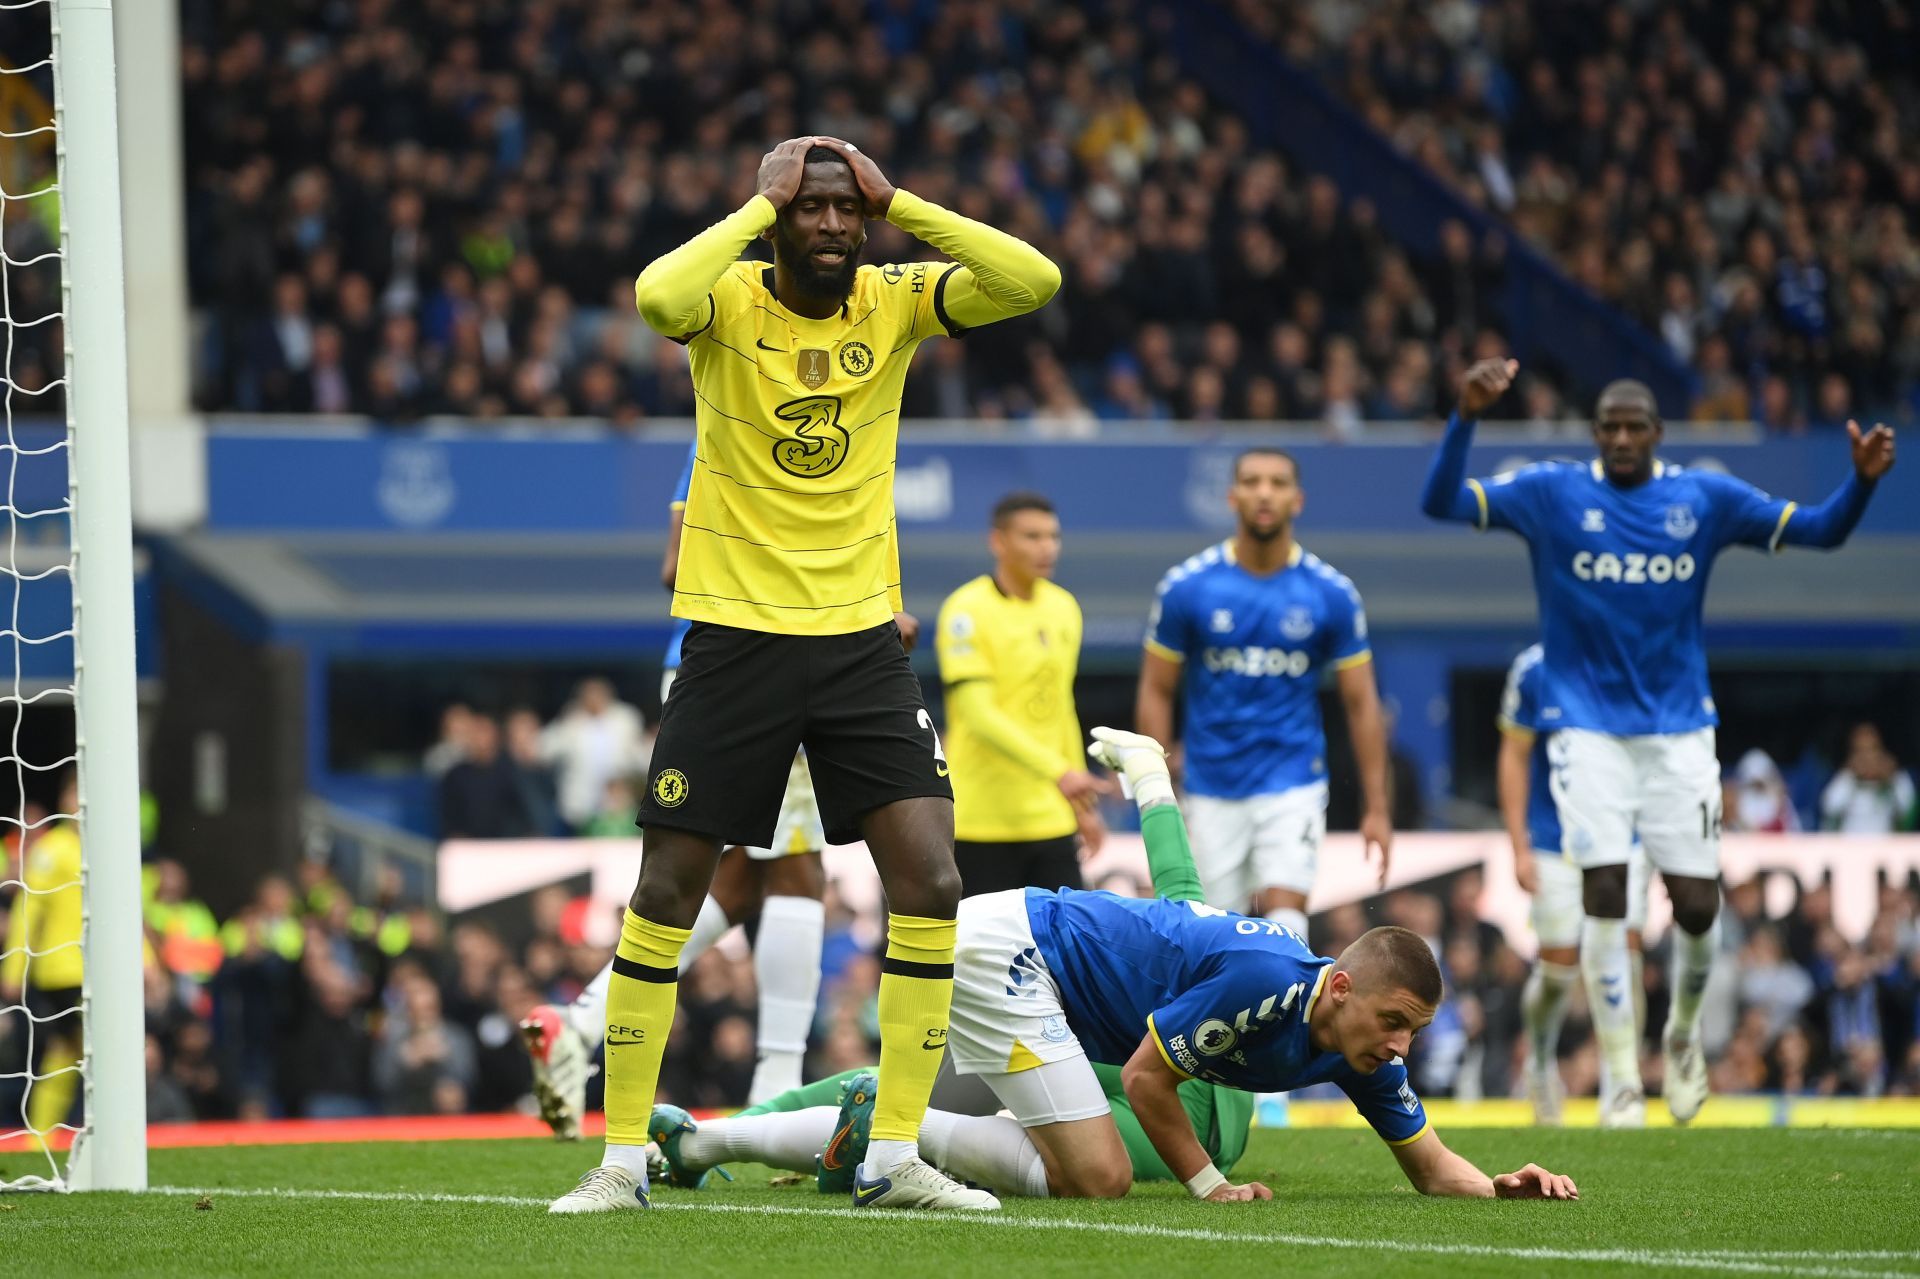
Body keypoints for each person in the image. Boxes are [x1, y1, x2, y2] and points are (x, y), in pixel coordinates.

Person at [548, 135, 1060, 1214]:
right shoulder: (727, 300)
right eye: (810, 209)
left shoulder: (895, 298)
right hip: (731, 639)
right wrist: (755, 204)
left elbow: (1033, 279)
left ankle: (894, 1160)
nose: (831, 226)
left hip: (863, 642)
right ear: (779, 218)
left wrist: (903, 201)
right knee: (668, 892)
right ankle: (623, 1159)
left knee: (929, 881)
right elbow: (653, 295)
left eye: (845, 211)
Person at [1422, 358, 1895, 1126]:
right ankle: (1619, 1080)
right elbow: (1440, 500)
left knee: (1699, 906)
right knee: (1606, 891)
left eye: (1632, 425)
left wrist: (1863, 482)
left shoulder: (1701, 498)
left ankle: (1680, 1035)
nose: (1619, 437)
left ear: (1657, 433)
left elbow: (1820, 531)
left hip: (1679, 731)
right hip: (1587, 730)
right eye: (1606, 426)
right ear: (1595, 435)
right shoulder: (1553, 493)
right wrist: (1466, 414)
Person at [1136, 448, 1394, 936]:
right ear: (1232, 496)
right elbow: (1156, 688)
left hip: (1293, 779)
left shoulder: (1331, 593)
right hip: (1211, 785)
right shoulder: (1187, 587)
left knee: (1287, 924)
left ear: (1298, 500)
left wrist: (1377, 807)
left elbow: (1362, 704)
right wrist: (1162, 781)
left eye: (1277, 483)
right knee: (1211, 932)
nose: (1264, 493)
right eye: (1252, 482)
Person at [1498, 643, 1651, 1123]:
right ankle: (1540, 1065)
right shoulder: (1533, 669)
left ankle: (1621, 1083)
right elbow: (1515, 754)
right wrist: (1519, 847)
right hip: (1553, 841)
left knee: (1626, 954)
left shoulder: (1634, 657)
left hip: (1624, 837)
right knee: (1559, 968)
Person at [937, 491, 1108, 897]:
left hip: (1051, 819)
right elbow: (978, 714)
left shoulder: (1064, 607)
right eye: (1031, 536)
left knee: (1061, 955)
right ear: (998, 542)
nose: (1046, 547)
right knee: (982, 957)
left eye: (1053, 536)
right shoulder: (966, 610)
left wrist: (1079, 805)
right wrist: (1059, 772)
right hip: (983, 821)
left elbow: (1061, 707)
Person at [0, 773, 84, 1140]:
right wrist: (14, 966)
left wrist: (146, 962)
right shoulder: (52, 850)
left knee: (66, 1053)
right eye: (75, 791)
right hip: (66, 970)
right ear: (65, 799)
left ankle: (41, 1137)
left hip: (100, 970)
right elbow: (28, 909)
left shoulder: (109, 847)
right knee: (89, 1053)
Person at [1820, 723, 1917, 834]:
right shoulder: (1846, 779)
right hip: (1850, 847)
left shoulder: (1893, 779)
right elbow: (1829, 807)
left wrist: (1894, 777)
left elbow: (1908, 808)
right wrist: (1849, 776)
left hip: (1886, 847)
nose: (1867, 757)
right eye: (1860, 751)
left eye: (1872, 749)